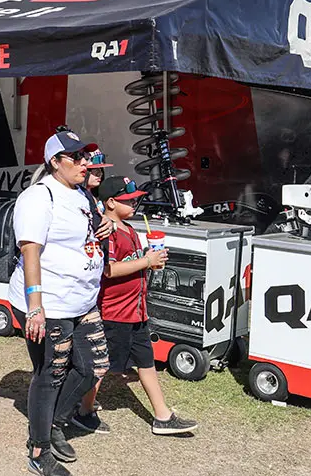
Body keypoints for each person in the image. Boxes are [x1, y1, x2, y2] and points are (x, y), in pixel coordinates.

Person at [10, 130, 115, 476]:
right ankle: (39, 450)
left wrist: (104, 226)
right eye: (77, 157)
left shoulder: (82, 194)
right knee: (50, 374)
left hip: (81, 300)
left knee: (94, 366)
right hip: (50, 302)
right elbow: (30, 252)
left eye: (86, 155)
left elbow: (86, 232)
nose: (85, 162)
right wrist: (35, 307)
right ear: (55, 162)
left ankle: (54, 422)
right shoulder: (38, 197)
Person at [71, 176, 198, 437]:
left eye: (135, 199)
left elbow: (135, 264)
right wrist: (146, 262)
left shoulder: (129, 229)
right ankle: (84, 411)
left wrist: (151, 259)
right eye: (128, 201)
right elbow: (108, 270)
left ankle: (162, 416)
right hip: (114, 312)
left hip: (137, 311)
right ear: (110, 202)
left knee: (146, 362)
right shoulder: (107, 233)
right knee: (101, 366)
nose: (134, 204)